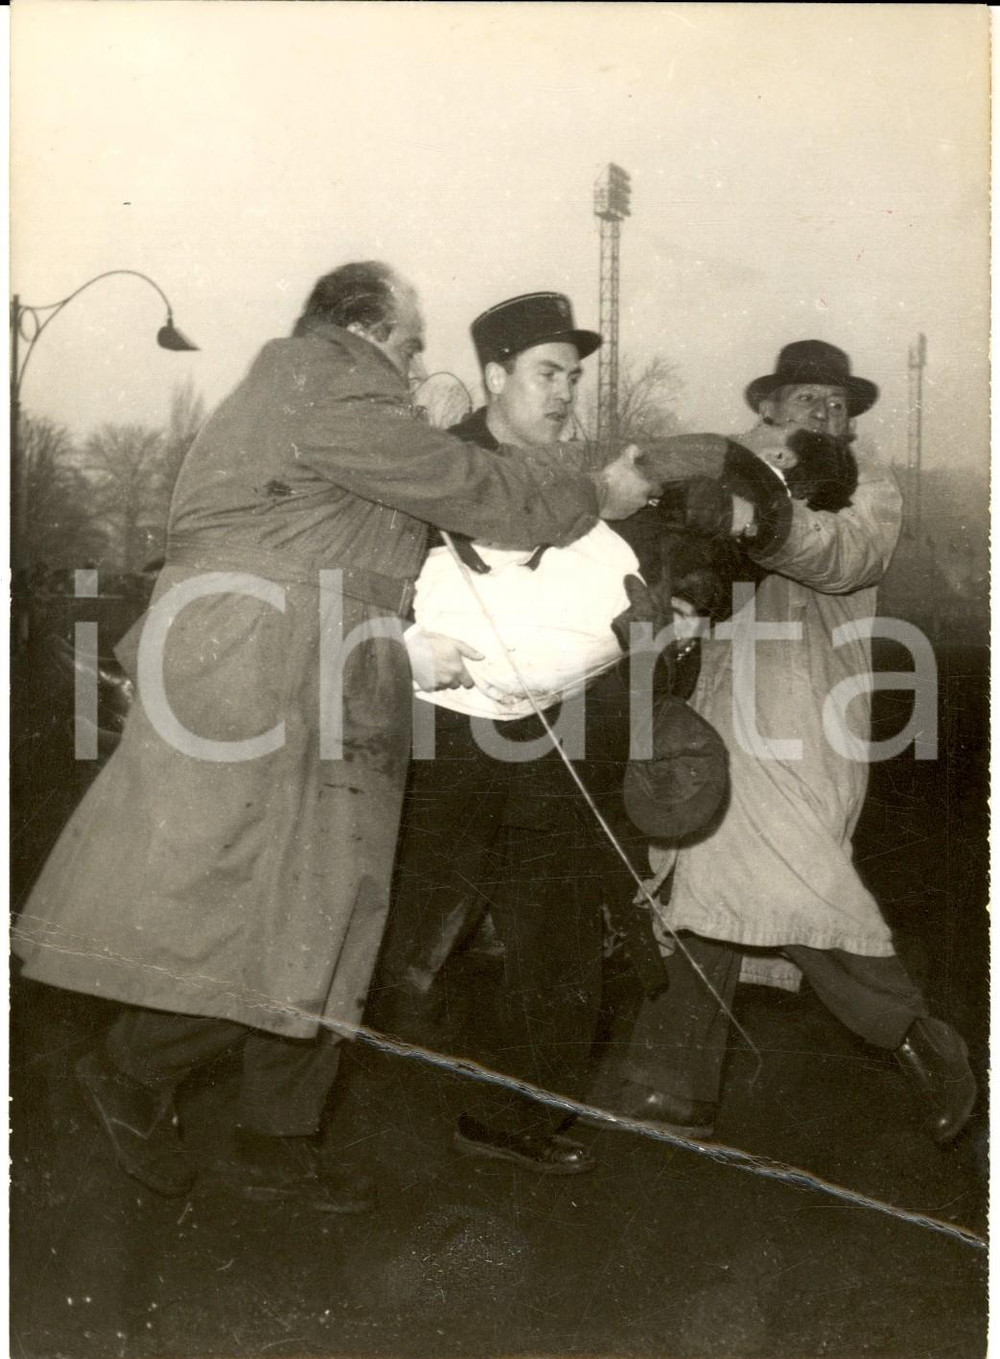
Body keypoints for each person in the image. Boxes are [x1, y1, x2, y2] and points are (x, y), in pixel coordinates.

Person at [11, 262, 659, 1212]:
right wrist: (594, 493)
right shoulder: (328, 377)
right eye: (410, 343)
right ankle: (140, 1071)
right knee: (287, 907)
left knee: (330, 907)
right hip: (275, 663)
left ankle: (265, 1132)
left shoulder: (317, 391)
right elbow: (463, 487)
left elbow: (386, 508)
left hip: (319, 663)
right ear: (367, 329)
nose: (415, 364)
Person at [375, 293, 784, 1175]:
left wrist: (680, 595)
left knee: (557, 931)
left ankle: (508, 1115)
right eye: (546, 373)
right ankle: (341, 1082)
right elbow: (382, 575)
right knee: (405, 921)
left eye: (573, 376)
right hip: (446, 735)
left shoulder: (591, 483)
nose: (565, 392)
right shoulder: (442, 468)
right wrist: (402, 645)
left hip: (555, 737)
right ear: (494, 377)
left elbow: (646, 569)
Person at [610, 340, 977, 1146]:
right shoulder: (726, 468)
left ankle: (918, 1036)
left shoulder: (866, 489)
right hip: (715, 708)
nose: (824, 412)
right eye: (805, 397)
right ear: (768, 406)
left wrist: (755, 518)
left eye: (837, 402)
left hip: (802, 717)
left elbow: (842, 554)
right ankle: (671, 1084)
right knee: (702, 880)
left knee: (793, 882)